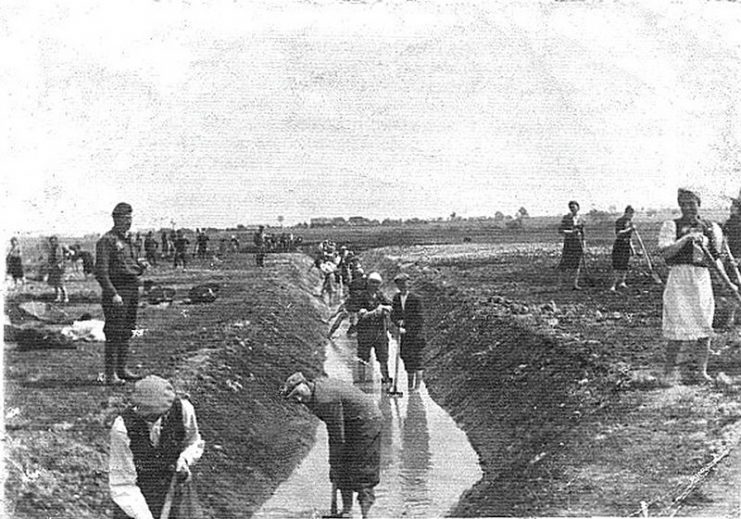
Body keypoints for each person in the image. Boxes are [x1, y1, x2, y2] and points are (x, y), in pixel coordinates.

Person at [658, 188, 738, 384]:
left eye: (691, 203)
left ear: (698, 204)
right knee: (677, 325)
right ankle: (669, 373)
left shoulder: (710, 227)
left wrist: (729, 283)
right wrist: (686, 239)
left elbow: (716, 259)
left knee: (704, 324)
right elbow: (665, 253)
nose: (688, 207)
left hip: (701, 278)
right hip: (679, 277)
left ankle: (701, 372)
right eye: (683, 203)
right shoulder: (671, 225)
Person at [281, 372, 381, 519]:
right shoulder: (313, 391)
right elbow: (336, 428)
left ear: (305, 384)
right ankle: (347, 512)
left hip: (367, 420)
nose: (299, 399)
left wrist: (334, 459)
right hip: (351, 421)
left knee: (362, 469)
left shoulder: (325, 399)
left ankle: (367, 514)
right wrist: (336, 461)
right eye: (294, 398)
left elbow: (336, 433)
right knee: (341, 468)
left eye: (298, 393)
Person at [110, 375, 204, 519]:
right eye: (146, 415)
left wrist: (185, 459)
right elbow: (122, 483)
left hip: (173, 489)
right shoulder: (122, 429)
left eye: (157, 415)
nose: (152, 420)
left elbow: (193, 442)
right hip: (135, 497)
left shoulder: (184, 410)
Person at [96, 202, 147, 385]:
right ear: (115, 219)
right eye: (125, 218)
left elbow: (131, 265)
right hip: (117, 291)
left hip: (132, 289)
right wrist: (113, 293)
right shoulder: (107, 241)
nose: (128, 222)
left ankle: (122, 369)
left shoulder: (130, 241)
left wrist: (140, 266)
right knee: (114, 332)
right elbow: (100, 272)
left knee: (127, 330)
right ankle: (110, 375)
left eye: (130, 218)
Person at [346, 272, 392, 385]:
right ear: (368, 282)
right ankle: (361, 382)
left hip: (380, 332)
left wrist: (385, 308)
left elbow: (391, 306)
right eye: (372, 282)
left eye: (377, 283)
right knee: (363, 358)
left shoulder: (381, 296)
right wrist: (374, 312)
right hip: (365, 332)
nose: (374, 285)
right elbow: (360, 314)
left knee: (383, 358)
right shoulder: (361, 296)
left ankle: (386, 379)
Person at [390, 273, 426, 391]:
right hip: (403, 336)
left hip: (416, 335)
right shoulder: (396, 298)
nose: (402, 286)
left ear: (408, 284)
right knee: (406, 358)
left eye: (404, 283)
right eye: (399, 284)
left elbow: (419, 318)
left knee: (417, 359)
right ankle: (410, 386)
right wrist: (397, 322)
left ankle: (417, 388)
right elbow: (393, 314)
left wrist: (407, 329)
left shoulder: (416, 298)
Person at [722, 190, 741, 329]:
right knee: (732, 287)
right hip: (731, 259)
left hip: (737, 259)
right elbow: (723, 239)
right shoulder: (729, 223)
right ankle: (731, 318)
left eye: (734, 206)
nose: (731, 208)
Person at [557, 200, 584, 290]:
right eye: (571, 207)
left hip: (578, 243)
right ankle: (560, 285)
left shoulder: (581, 219)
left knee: (577, 264)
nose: (572, 209)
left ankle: (574, 284)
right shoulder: (566, 218)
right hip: (569, 243)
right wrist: (571, 232)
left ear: (578, 208)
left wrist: (584, 245)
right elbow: (560, 231)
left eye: (574, 207)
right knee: (564, 264)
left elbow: (583, 233)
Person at [609, 206, 636, 292]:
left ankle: (622, 282)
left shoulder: (630, 222)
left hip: (626, 245)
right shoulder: (619, 221)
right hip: (619, 245)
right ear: (626, 213)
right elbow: (619, 233)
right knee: (617, 264)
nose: (631, 216)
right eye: (630, 214)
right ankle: (614, 284)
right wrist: (630, 229)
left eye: (632, 214)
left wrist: (632, 249)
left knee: (625, 264)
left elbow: (629, 238)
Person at [47, 235, 68, 303]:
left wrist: (63, 261)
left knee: (61, 283)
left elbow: (60, 258)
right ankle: (58, 297)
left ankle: (65, 297)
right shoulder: (51, 249)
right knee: (55, 284)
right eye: (51, 242)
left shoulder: (60, 247)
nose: (52, 243)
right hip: (53, 268)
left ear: (56, 241)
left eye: (53, 241)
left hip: (59, 267)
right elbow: (50, 258)